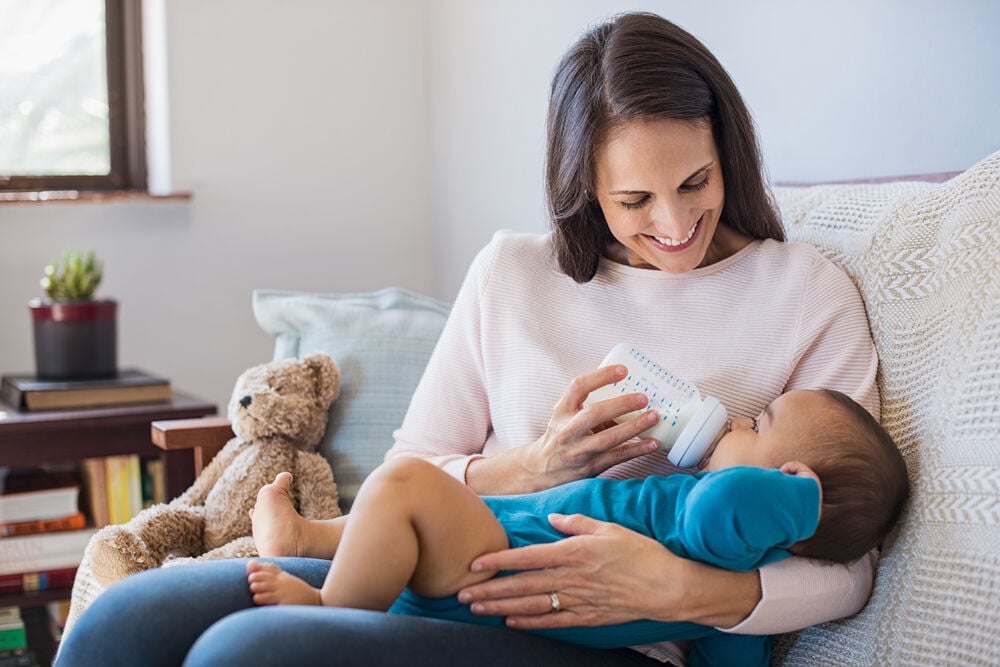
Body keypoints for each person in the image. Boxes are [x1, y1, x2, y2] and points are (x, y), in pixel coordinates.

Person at [56, 12, 886, 667]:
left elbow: (849, 559)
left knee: (245, 652)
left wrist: (679, 587)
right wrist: (534, 467)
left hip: (621, 635)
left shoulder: (803, 292)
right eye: (635, 201)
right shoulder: (512, 275)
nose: (674, 226)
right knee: (131, 616)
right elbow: (406, 469)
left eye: (695, 182)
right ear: (585, 191)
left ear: (726, 150)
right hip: (449, 568)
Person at [245, 388, 909, 667]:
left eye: (756, 425)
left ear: (788, 485)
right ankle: (309, 539)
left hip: (495, 571)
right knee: (410, 508)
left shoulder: (717, 526)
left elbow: (734, 506)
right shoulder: (722, 584)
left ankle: (331, 606)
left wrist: (799, 502)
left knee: (408, 486)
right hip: (497, 536)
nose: (736, 420)